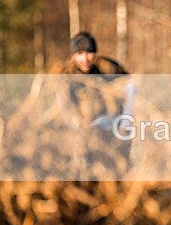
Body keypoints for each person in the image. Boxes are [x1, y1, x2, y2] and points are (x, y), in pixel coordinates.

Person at [57, 31, 135, 172]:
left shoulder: (109, 69)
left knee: (119, 162)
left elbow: (131, 91)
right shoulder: (67, 75)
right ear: (73, 55)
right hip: (84, 127)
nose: (85, 58)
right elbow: (64, 107)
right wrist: (78, 128)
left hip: (111, 123)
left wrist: (125, 124)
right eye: (80, 53)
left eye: (89, 52)